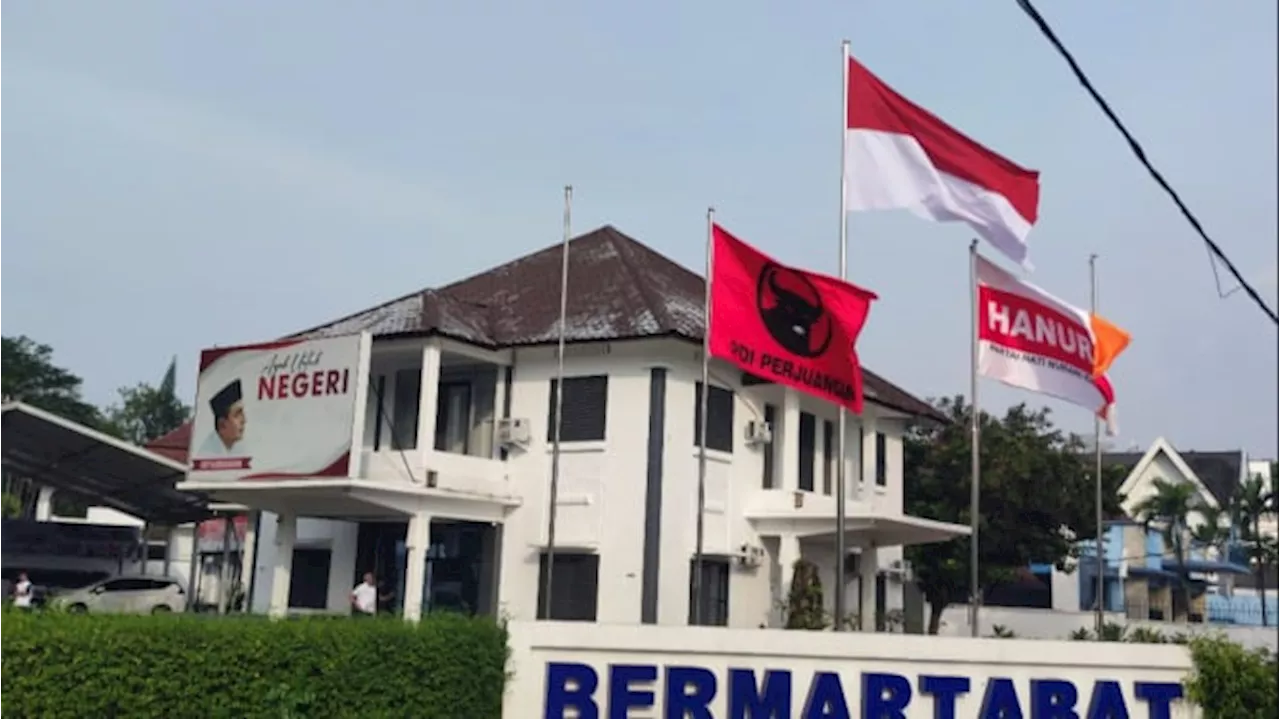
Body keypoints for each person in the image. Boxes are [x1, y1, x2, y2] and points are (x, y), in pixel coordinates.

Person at [197, 379, 247, 458]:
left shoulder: (238, 449)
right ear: (222, 424)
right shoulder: (208, 455)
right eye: (237, 415)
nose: (244, 421)